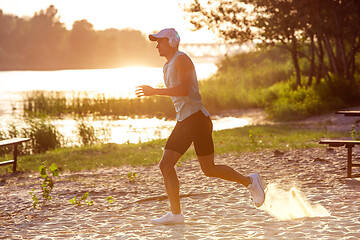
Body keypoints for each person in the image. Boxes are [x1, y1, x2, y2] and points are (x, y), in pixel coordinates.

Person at [135, 28, 265, 224]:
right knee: (186, 167)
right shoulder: (167, 65)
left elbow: (184, 89)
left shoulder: (181, 60)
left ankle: (250, 181)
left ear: (171, 42)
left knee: (192, 167)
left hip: (196, 120)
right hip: (186, 121)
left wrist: (155, 91)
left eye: (160, 41)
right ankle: (176, 214)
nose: (156, 45)